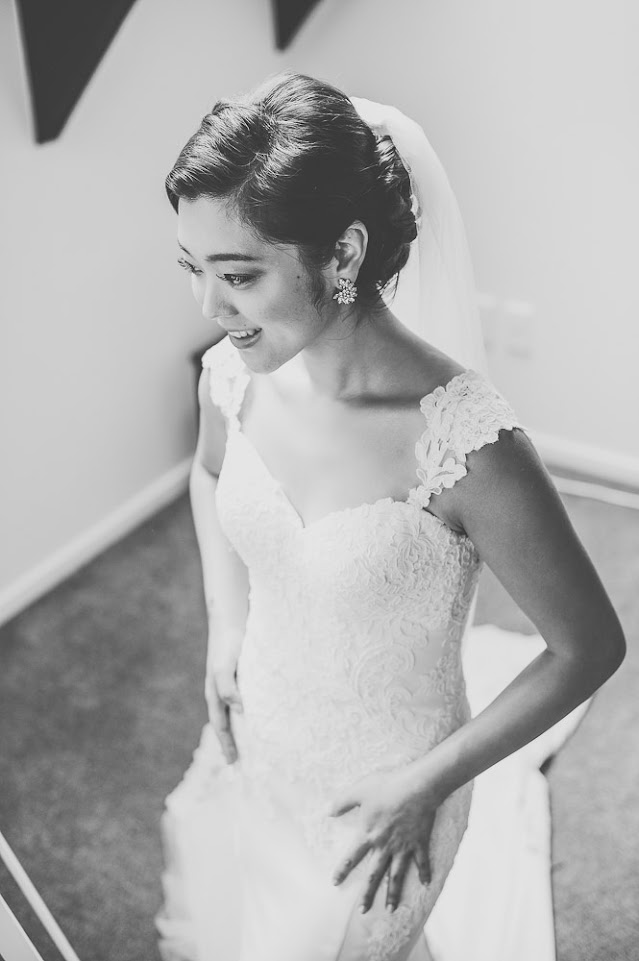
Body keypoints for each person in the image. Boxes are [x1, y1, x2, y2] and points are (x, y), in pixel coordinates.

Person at [154, 71, 626, 961]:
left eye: (238, 275)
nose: (209, 308)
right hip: (262, 738)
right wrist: (225, 622)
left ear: (341, 254)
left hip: (392, 793)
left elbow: (588, 647)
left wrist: (425, 785)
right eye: (192, 269)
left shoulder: (467, 443)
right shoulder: (230, 376)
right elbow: (209, 475)